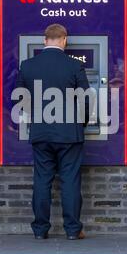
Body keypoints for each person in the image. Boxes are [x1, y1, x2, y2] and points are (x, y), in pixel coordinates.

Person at [16, 24, 90, 240]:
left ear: (44, 40)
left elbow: (20, 99)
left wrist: (36, 116)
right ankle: (73, 231)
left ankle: (40, 230)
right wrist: (81, 123)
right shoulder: (74, 66)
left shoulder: (28, 65)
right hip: (69, 133)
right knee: (70, 181)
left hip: (41, 131)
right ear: (64, 40)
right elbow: (86, 99)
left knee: (41, 180)